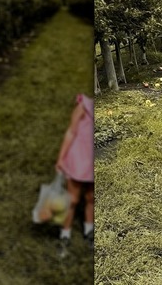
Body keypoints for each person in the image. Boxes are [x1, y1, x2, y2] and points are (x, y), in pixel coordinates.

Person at [55, 93, 95, 257]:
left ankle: (89, 233)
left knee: (91, 198)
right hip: (78, 159)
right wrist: (61, 158)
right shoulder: (83, 106)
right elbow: (71, 132)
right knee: (72, 199)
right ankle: (65, 236)